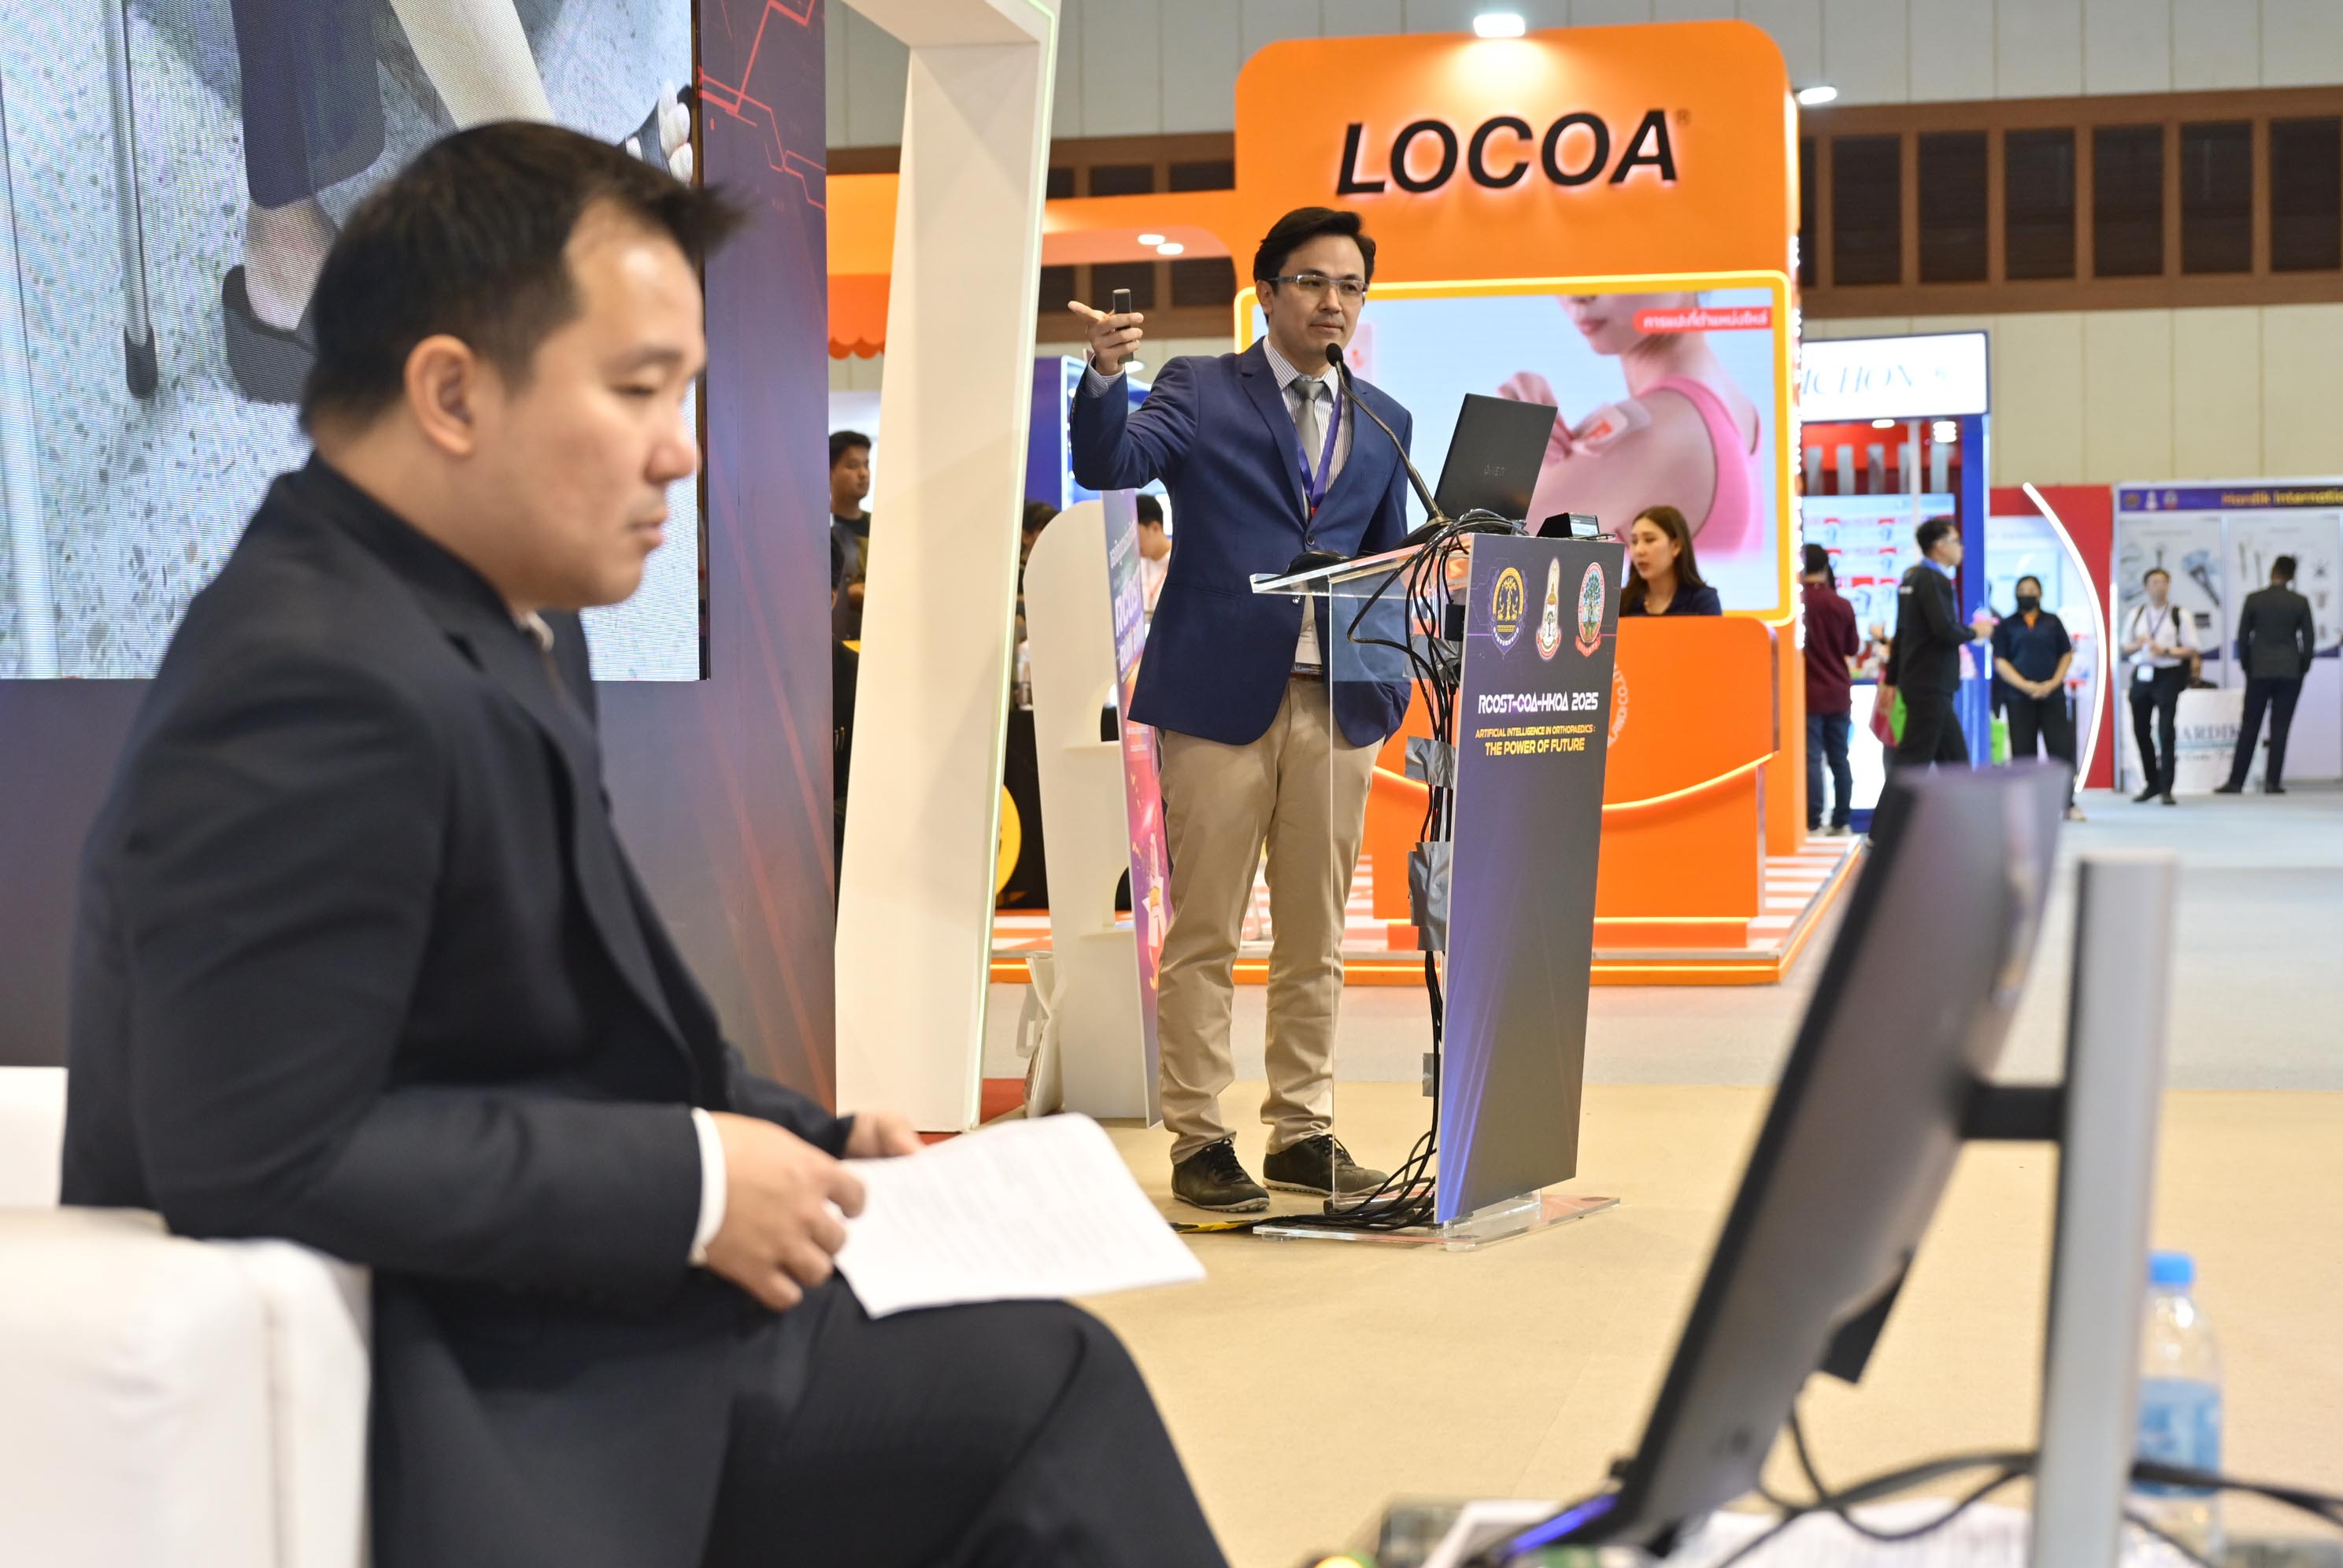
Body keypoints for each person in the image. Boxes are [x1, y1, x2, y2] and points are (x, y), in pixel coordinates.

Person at [60, 124, 1222, 1568]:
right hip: (487, 1373)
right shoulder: (310, 678)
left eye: (686, 390)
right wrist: (698, 1186)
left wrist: (810, 1138)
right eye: (637, 389)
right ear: (450, 392)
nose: (682, 449)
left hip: (571, 1300)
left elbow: (561, 1024)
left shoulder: (496, 617)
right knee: (1045, 1394)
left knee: (1031, 1361)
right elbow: (255, 1148)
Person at [1065, 206, 1413, 1213]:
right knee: (1207, 931)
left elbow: (1387, 559)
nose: (1333, 302)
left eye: (1350, 286)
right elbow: (1110, 465)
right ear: (1267, 292)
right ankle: (1200, 1137)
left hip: (1338, 705)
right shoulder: (1202, 388)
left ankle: (1302, 1131)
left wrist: (1392, 679)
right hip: (1220, 698)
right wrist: (1104, 379)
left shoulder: (1386, 420)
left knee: (1318, 936)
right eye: (1312, 282)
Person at [1496, 294, 1764, 560]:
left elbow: (1483, 564)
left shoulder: (1650, 436)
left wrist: (1491, 442)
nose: (1578, 295)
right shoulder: (1735, 406)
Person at [1886, 516, 1993, 767]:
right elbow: (1945, 629)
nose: (1961, 547)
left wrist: (1892, 679)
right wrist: (1975, 632)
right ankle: (1896, 798)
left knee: (1955, 762)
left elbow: (1901, 633)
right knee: (1914, 761)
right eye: (1956, 541)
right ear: (1939, 546)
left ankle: (1957, 798)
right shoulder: (1934, 580)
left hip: (1925, 683)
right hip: (1930, 683)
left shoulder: (1913, 579)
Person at [2216, 554, 2317, 796]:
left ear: (2273, 570)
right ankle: (2273, 783)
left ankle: (2236, 782)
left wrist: (2247, 665)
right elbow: (2309, 638)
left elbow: (2243, 637)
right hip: (2290, 670)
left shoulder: (2254, 599)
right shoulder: (2299, 601)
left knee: (2250, 725)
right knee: (2280, 727)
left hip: (2259, 670)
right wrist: (2302, 666)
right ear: (2292, 575)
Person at [1990, 575, 2084, 821]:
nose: (2026, 594)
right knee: (2023, 754)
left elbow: (2066, 654)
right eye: (2022, 589)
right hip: (2018, 698)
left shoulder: (2052, 622)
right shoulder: (2006, 625)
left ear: (2040, 594)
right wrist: (2025, 685)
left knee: (2060, 750)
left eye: (2031, 589)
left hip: (2053, 697)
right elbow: (2001, 661)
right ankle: (2026, 807)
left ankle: (2067, 803)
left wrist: (2052, 683)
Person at [1800, 544, 1860, 835]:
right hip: (1838, 691)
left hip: (1807, 694)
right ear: (1825, 568)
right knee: (1839, 758)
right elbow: (1852, 647)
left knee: (1811, 758)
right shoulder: (1841, 604)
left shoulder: (1798, 604)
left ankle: (1813, 821)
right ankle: (1841, 820)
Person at [2122, 567, 2193, 805]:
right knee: (2141, 730)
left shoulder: (2180, 614)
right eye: (2155, 582)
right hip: (2143, 674)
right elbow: (2124, 647)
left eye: (2164, 582)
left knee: (2166, 731)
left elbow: (2191, 649)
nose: (2159, 586)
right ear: (2146, 587)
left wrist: (2166, 650)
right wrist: (2138, 644)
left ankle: (2166, 786)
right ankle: (2151, 782)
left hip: (2168, 674)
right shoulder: (2137, 614)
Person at [1618, 505, 1723, 617]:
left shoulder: (1703, 601)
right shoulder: (1621, 601)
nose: (1639, 550)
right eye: (1634, 541)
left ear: (1676, 546)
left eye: (1649, 540)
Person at [829, 429, 872, 640]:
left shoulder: (883, 525)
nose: (864, 473)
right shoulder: (818, 531)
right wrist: (847, 595)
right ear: (829, 471)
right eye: (853, 466)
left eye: (866, 464)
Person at [1136, 492, 1172, 621]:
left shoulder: (1181, 563)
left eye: (1136, 535)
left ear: (1155, 527)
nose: (1134, 543)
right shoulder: (1134, 565)